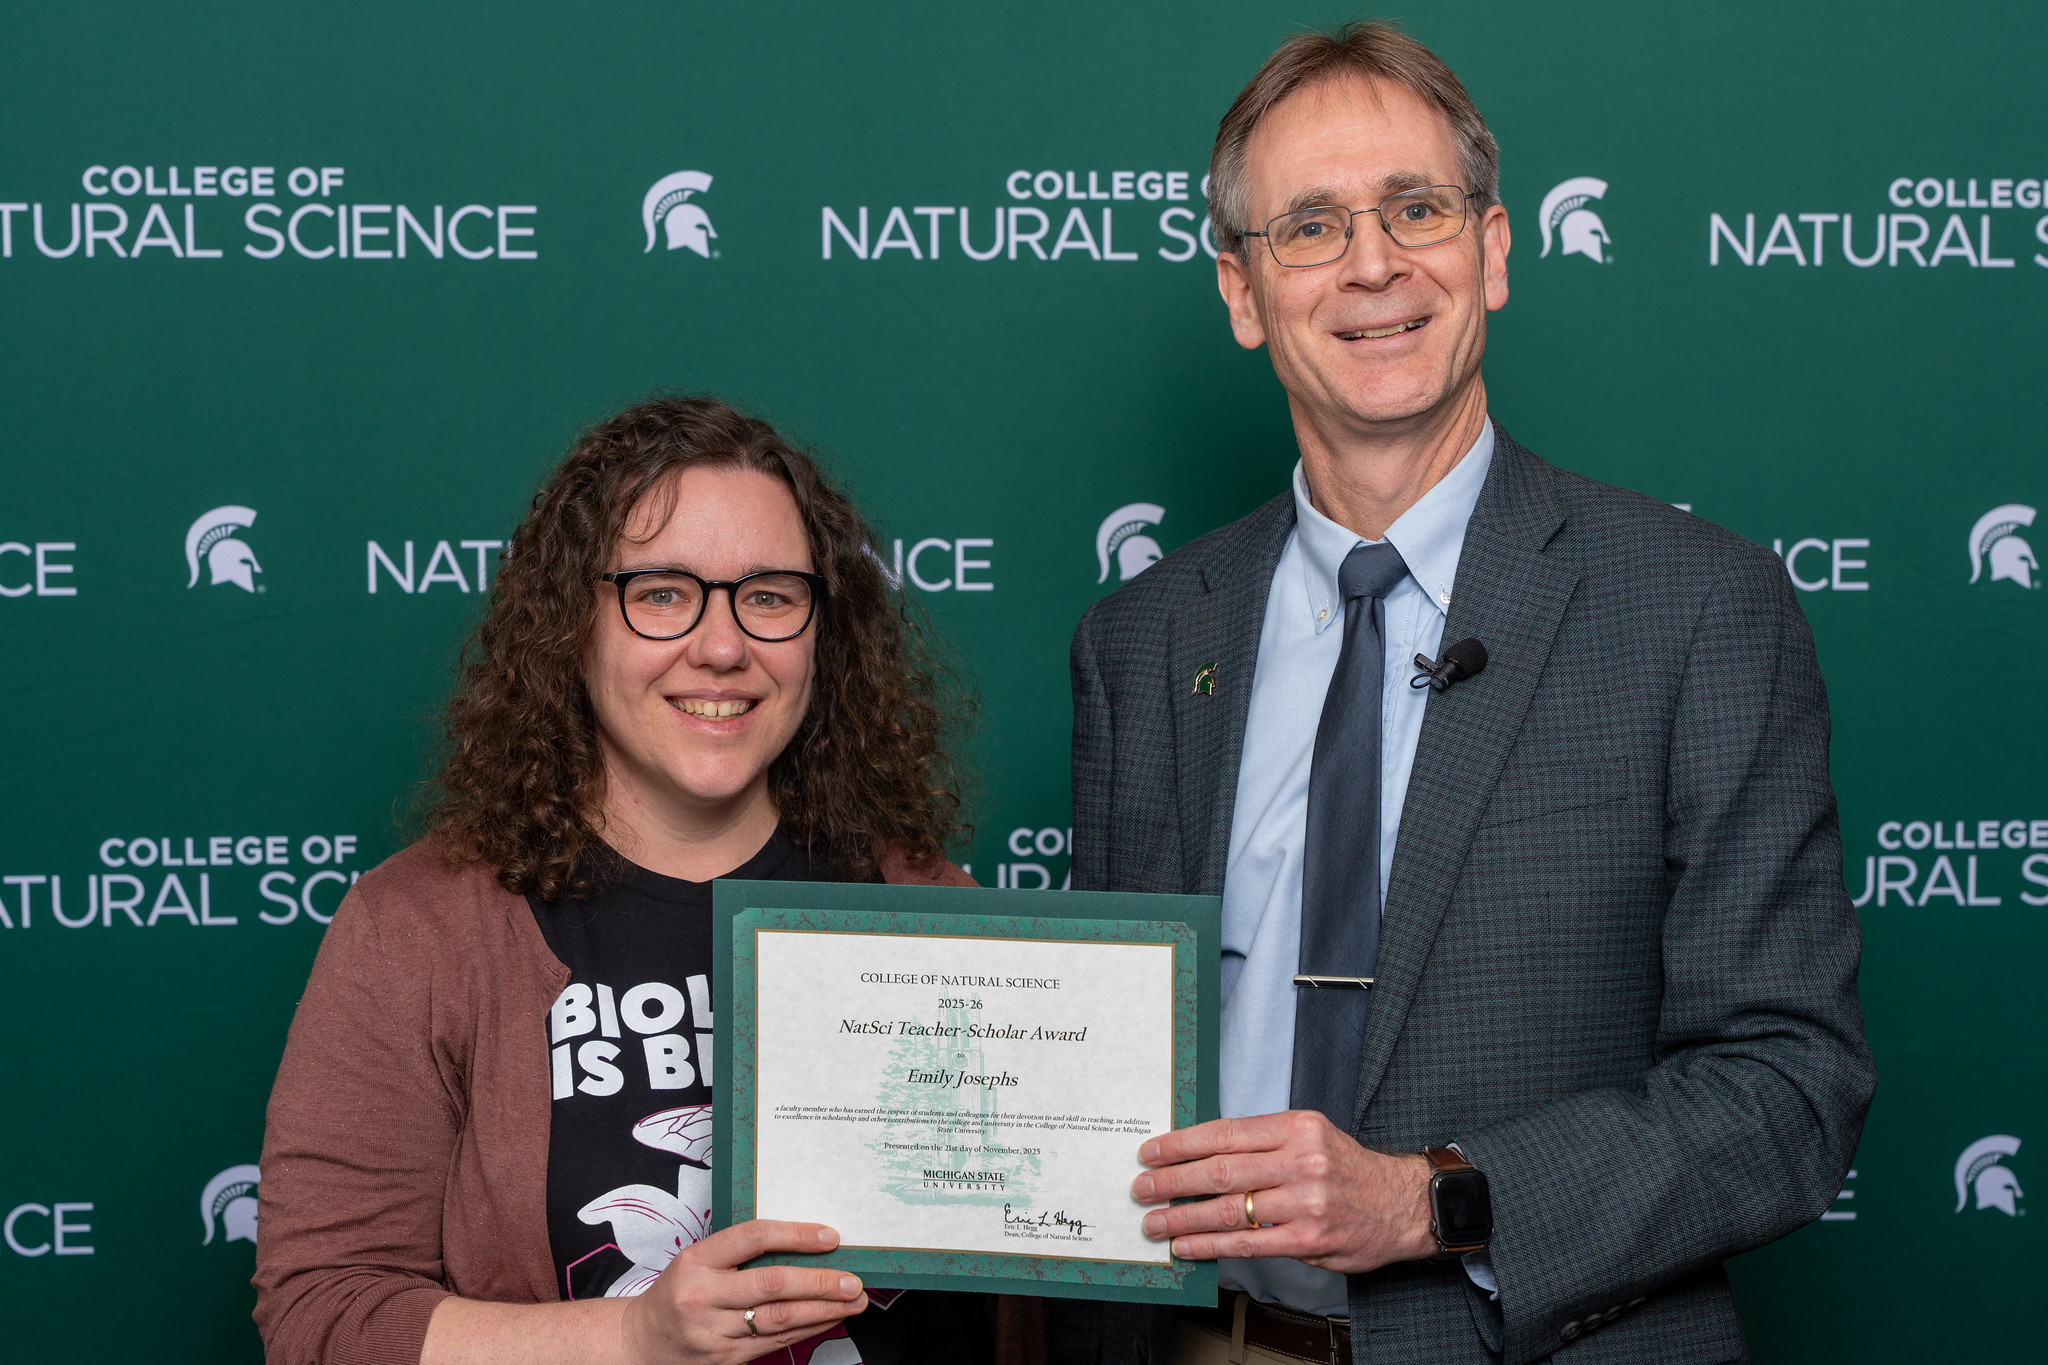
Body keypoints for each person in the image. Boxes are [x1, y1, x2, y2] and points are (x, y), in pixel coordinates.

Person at [1063, 24, 1873, 1365]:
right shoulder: (1141, 642)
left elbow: (1788, 1091)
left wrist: (1432, 1199)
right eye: (1311, 227)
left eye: (1417, 209)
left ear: (1493, 251)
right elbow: (1098, 1076)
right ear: (1243, 292)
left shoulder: (1698, 610)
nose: (1374, 263)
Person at [254, 398, 1031, 1365]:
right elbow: (322, 1314)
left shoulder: (940, 913)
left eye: (771, 594)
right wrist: (634, 1334)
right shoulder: (418, 931)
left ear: (824, 628)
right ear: (570, 620)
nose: (721, 645)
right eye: (662, 592)